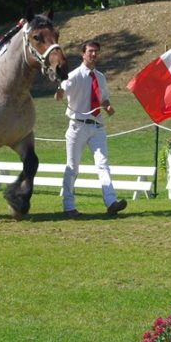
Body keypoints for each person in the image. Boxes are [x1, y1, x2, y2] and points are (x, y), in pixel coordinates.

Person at [54, 40, 126, 217]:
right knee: (73, 167)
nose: (94, 55)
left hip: (97, 126)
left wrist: (108, 107)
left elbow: (103, 98)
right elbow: (59, 96)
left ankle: (111, 202)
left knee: (103, 164)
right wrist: (59, 87)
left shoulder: (100, 77)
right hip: (77, 126)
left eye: (96, 52)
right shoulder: (74, 76)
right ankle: (68, 206)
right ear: (83, 54)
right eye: (90, 51)